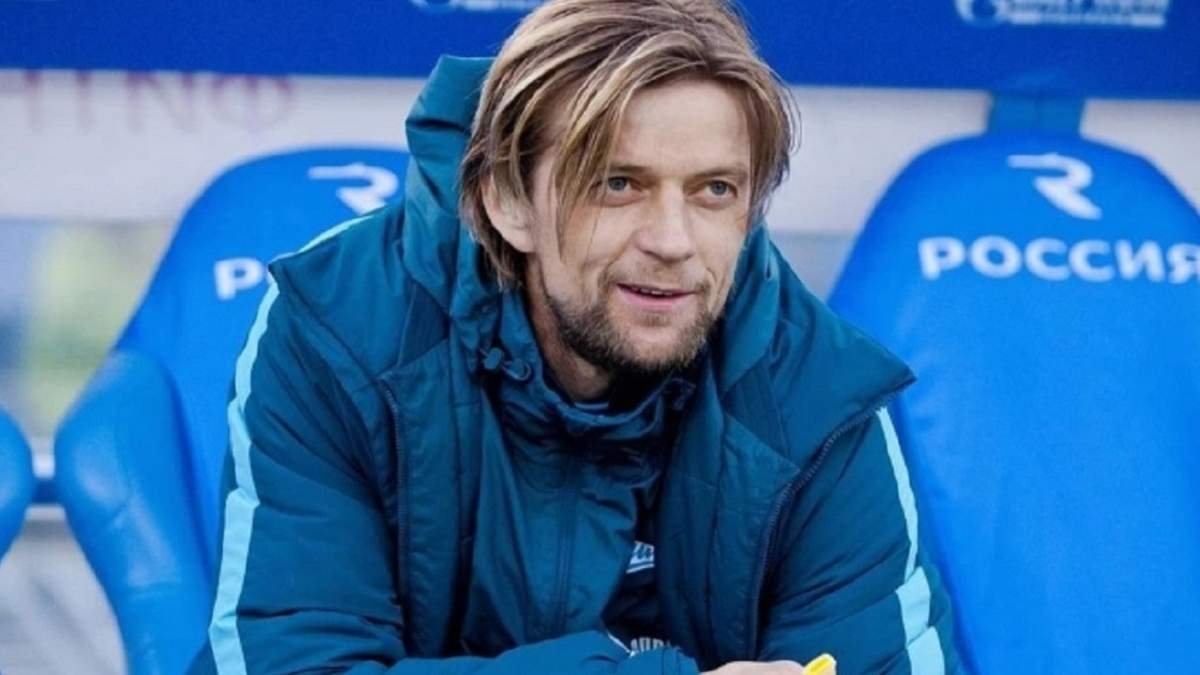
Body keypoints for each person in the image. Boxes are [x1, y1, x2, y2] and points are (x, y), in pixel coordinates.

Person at [191, 1, 959, 673]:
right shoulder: (342, 328)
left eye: (714, 190)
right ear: (506, 198)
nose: (673, 241)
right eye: (617, 184)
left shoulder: (817, 396)